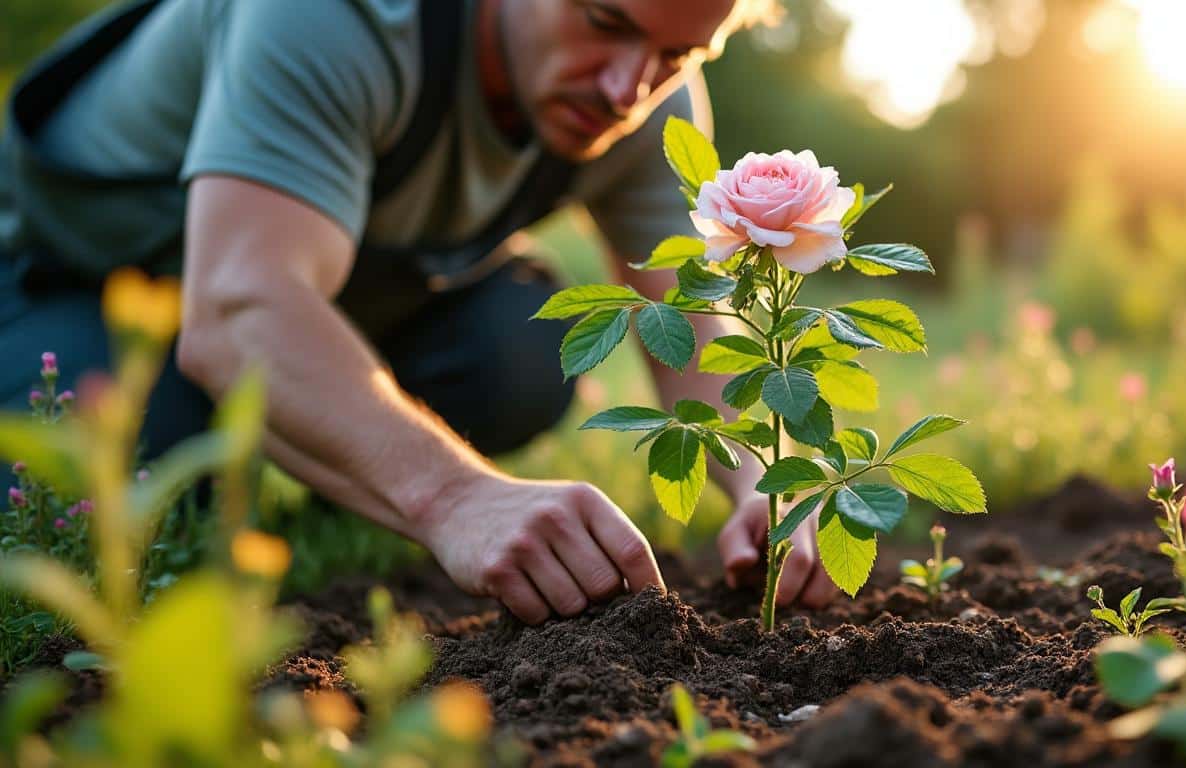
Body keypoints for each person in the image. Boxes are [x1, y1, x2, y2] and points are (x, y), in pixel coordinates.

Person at [0, 0, 838, 624]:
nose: (629, 88)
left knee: (523, 348)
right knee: (141, 470)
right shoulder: (337, 19)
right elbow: (238, 306)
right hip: (76, 282)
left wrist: (766, 484)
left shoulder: (654, 100)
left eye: (678, 53)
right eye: (602, 20)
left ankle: (332, 465)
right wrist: (452, 497)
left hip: (342, 296)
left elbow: (695, 312)